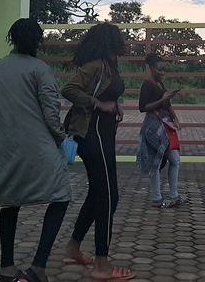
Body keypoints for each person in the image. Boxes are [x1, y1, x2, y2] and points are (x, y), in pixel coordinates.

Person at [0, 18, 71, 282]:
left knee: (10, 204)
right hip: (38, 149)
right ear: (37, 41)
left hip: (3, 148)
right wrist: (60, 138)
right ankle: (38, 267)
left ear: (12, 40)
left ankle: (6, 270)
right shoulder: (39, 69)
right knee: (61, 197)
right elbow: (50, 110)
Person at [62, 22, 133, 281]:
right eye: (119, 38)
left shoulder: (109, 65)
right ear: (110, 41)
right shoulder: (96, 65)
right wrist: (98, 104)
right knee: (108, 197)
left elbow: (107, 93)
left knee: (98, 193)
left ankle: (73, 248)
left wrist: (114, 105)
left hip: (104, 136)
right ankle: (102, 265)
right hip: (92, 136)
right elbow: (68, 89)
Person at [136, 53, 183, 208]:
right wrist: (163, 99)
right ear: (150, 68)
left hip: (164, 125)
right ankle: (157, 198)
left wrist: (175, 117)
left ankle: (174, 195)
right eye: (159, 69)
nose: (163, 72)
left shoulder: (160, 85)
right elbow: (143, 107)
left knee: (175, 159)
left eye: (165, 70)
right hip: (153, 127)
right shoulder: (147, 85)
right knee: (155, 161)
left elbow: (167, 104)